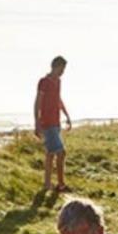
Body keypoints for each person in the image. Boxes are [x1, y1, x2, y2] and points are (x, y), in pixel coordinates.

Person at [34, 55, 73, 192]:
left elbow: (58, 100)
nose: (63, 72)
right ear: (55, 67)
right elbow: (38, 102)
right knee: (61, 152)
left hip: (56, 122)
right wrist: (37, 123)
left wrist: (66, 115)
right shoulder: (44, 82)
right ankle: (61, 185)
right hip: (47, 122)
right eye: (62, 69)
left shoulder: (58, 82)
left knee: (50, 154)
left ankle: (47, 185)